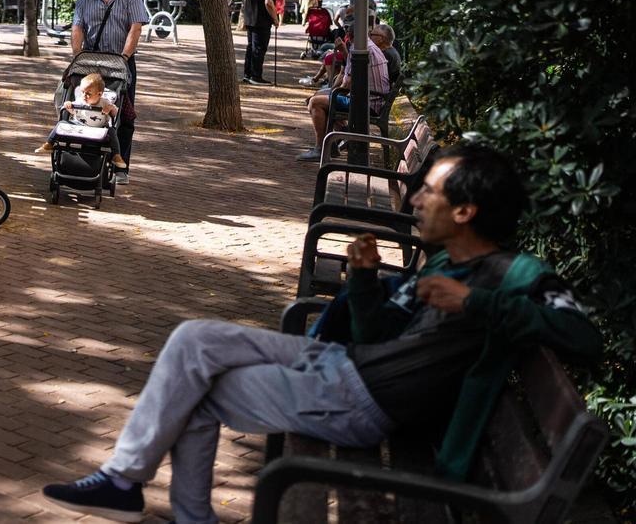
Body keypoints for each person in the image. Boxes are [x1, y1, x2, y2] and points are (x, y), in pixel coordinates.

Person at [42, 144, 602, 524]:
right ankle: (125, 481)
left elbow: (583, 337)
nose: (414, 200)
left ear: (466, 210)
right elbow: (383, 331)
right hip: (345, 366)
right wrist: (362, 280)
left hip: (361, 398)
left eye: (428, 192)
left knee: (196, 394)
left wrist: (477, 303)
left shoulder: (516, 275)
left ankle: (145, 494)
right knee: (194, 340)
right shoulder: (440, 263)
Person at [71, 0, 150, 185]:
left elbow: (135, 29)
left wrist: (125, 58)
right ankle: (85, 162)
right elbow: (77, 27)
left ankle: (120, 166)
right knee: (84, 109)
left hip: (120, 64)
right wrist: (77, 57)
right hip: (91, 63)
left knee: (123, 116)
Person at [297, 23, 391, 162]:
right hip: (372, 99)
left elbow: (346, 84)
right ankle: (334, 143)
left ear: (348, 36)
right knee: (320, 97)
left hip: (367, 103)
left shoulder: (362, 49)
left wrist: (332, 92)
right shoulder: (368, 47)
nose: (371, 36)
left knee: (316, 102)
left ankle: (321, 148)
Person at [36, 72, 127, 169]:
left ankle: (116, 155)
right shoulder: (81, 100)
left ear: (99, 94)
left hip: (98, 128)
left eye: (88, 94)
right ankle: (49, 143)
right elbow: (73, 110)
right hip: (78, 126)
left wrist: (110, 108)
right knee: (61, 124)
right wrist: (69, 105)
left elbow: (115, 113)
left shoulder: (105, 103)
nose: (84, 95)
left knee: (112, 131)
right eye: (82, 92)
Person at [240, 0, 281, 86]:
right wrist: (275, 18)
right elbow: (268, 2)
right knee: (259, 49)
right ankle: (256, 76)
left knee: (250, 48)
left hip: (250, 20)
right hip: (262, 21)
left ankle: (247, 74)